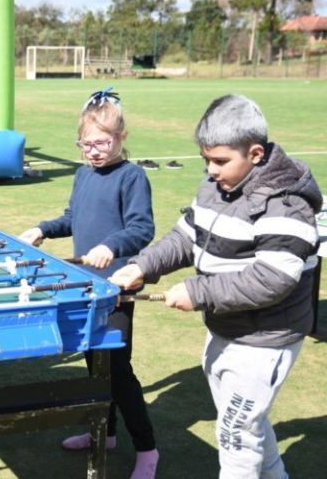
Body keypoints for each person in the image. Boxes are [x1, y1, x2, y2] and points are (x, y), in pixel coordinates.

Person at [110, 94, 321, 479]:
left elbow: (274, 278)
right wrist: (142, 265)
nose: (210, 170)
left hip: (266, 337)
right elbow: (187, 236)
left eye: (220, 161)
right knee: (244, 425)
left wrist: (198, 292)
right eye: (206, 159)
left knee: (235, 434)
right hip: (226, 326)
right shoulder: (215, 185)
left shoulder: (287, 204)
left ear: (255, 154)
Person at [19, 87, 159, 479]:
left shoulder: (131, 176)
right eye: (86, 144)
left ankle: (147, 448)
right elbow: (73, 216)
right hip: (86, 289)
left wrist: (111, 246)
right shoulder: (83, 175)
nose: (94, 151)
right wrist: (42, 228)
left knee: (116, 368)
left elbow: (141, 228)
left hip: (118, 290)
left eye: (103, 142)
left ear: (121, 138)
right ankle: (107, 433)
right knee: (92, 363)